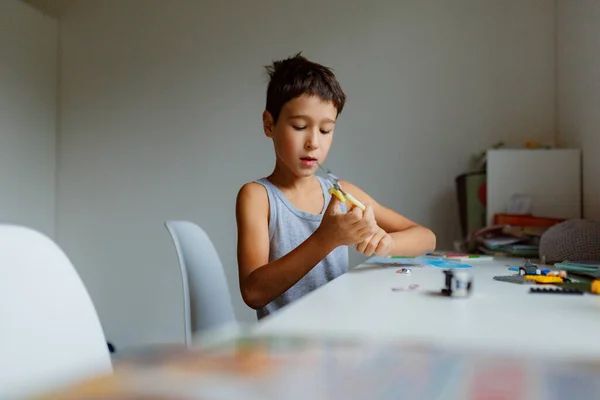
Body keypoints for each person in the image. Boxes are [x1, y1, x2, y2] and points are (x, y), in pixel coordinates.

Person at [236, 53, 436, 319]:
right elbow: (253, 293)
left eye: (326, 130)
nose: (313, 142)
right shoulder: (258, 197)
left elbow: (426, 238)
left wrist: (385, 243)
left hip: (338, 337)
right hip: (284, 349)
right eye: (299, 126)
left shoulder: (342, 193)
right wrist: (325, 239)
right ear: (269, 124)